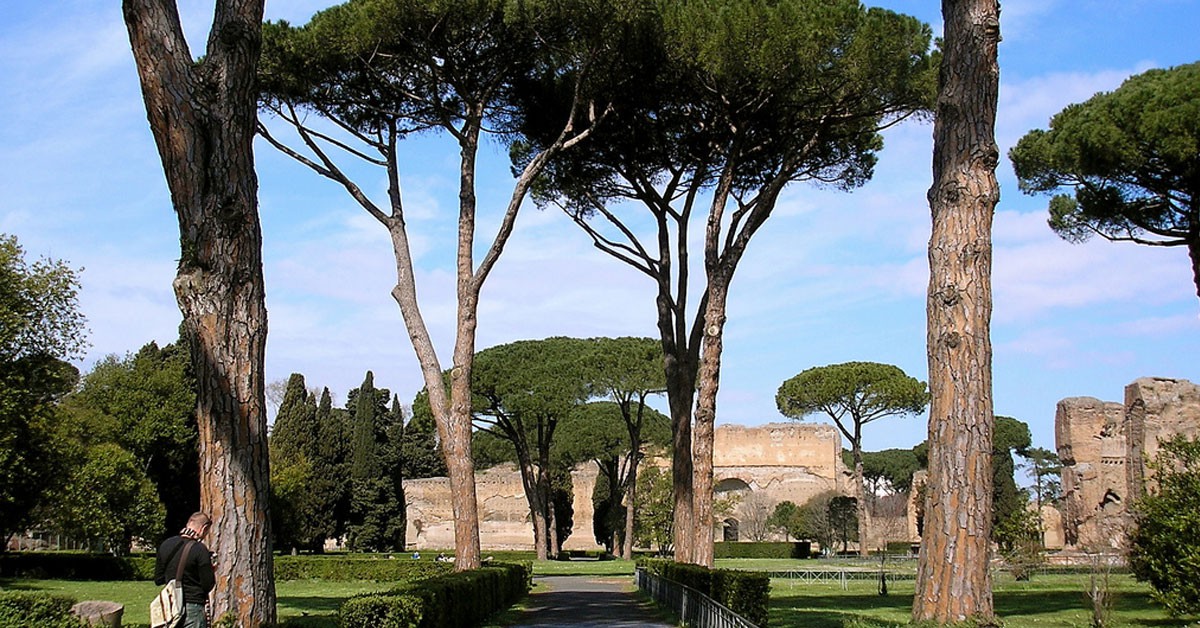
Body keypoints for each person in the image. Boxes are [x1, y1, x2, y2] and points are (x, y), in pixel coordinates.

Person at [155, 512, 216, 628]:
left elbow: (158, 579)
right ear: (204, 528)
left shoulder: (166, 545)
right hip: (193, 607)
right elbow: (208, 584)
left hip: (171, 607)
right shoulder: (200, 550)